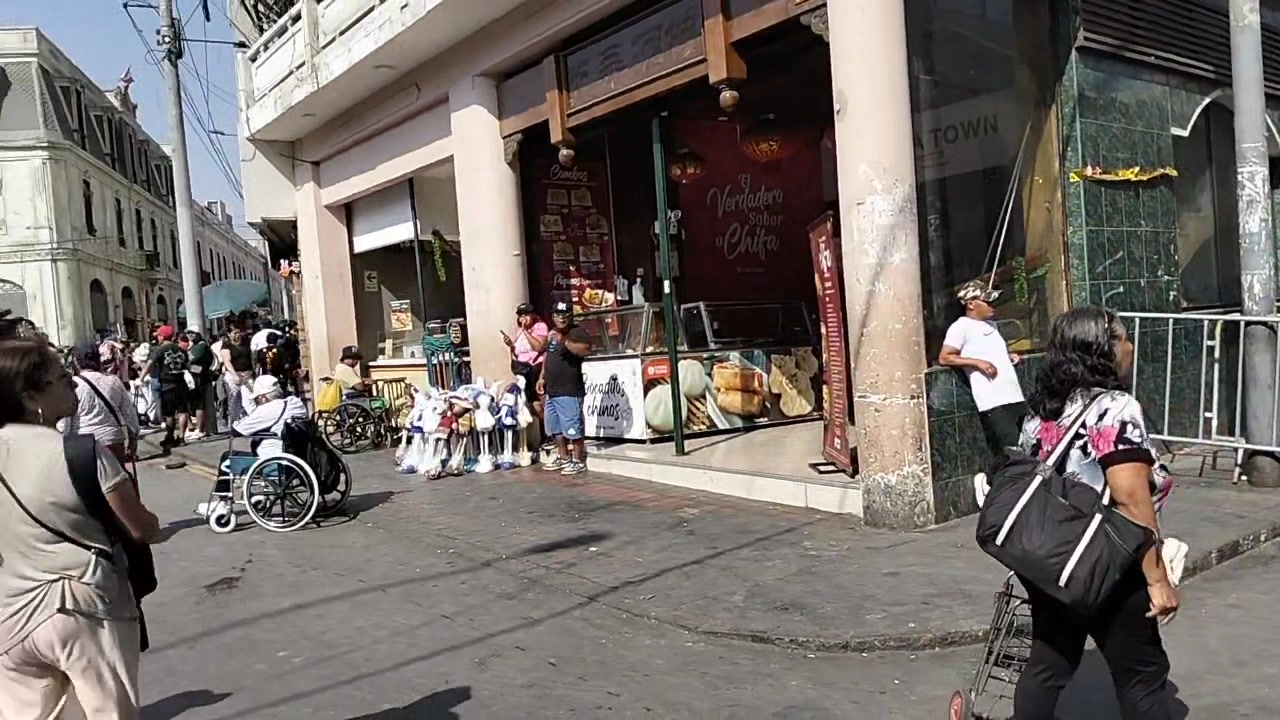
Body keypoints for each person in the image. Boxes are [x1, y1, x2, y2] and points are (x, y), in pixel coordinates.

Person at [1011, 306, 1177, 719]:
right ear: (1104, 348)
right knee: (1142, 675)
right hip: (1107, 560)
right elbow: (1130, 499)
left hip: (1052, 559)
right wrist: (1157, 579)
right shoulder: (1115, 408)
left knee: (1048, 664)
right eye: (1123, 337)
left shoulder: (1041, 411)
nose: (1130, 346)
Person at [0, 337, 160, 718]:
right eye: (61, 378)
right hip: (85, 609)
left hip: (10, 618)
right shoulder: (82, 454)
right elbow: (142, 529)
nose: (73, 382)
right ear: (30, 397)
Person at [938, 279, 1026, 457]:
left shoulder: (992, 326)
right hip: (994, 400)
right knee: (1011, 449)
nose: (992, 306)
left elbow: (989, 350)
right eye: (987, 302)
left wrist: (1008, 356)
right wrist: (977, 363)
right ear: (971, 304)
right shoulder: (960, 327)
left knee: (1024, 444)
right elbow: (945, 357)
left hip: (1013, 395)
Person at [65, 343, 140, 466]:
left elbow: (65, 420)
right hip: (112, 440)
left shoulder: (72, 385)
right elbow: (129, 414)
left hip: (83, 443)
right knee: (117, 476)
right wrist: (133, 440)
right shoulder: (113, 381)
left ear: (76, 362)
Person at [536, 317, 591, 476]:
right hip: (552, 390)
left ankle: (578, 460)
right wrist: (542, 377)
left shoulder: (576, 332)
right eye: (557, 315)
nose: (560, 318)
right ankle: (563, 456)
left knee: (573, 427)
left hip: (569, 390)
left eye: (564, 314)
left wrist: (565, 342)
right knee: (556, 427)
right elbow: (548, 356)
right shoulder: (552, 334)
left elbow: (585, 350)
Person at [140, 325, 190, 450]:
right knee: (183, 412)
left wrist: (140, 378)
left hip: (167, 385)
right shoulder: (181, 350)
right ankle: (181, 438)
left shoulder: (160, 350)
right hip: (181, 383)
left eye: (159, 336)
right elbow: (188, 366)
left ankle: (170, 437)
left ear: (162, 337)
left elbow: (149, 365)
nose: (158, 338)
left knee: (169, 414)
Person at [232, 375, 307, 458]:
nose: (257, 401)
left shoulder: (269, 408)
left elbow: (237, 431)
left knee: (227, 457)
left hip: (271, 455)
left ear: (263, 397)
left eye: (257, 398)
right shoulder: (295, 402)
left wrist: (238, 422)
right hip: (294, 454)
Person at [505, 303, 549, 420]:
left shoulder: (540, 327)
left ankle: (551, 426)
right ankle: (543, 426)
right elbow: (517, 352)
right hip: (524, 371)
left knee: (543, 400)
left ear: (532, 315)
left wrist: (526, 332)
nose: (523, 318)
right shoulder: (519, 331)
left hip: (536, 368)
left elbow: (539, 347)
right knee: (533, 404)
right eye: (521, 315)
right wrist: (511, 345)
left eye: (526, 315)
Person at [219, 328, 254, 425]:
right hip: (233, 375)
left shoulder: (245, 344)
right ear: (229, 334)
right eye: (234, 333)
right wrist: (235, 375)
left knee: (249, 398)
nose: (237, 335)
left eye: (238, 333)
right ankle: (235, 421)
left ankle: (252, 421)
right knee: (234, 399)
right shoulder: (226, 346)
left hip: (247, 374)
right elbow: (227, 362)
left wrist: (251, 372)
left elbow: (251, 359)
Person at [185, 332, 216, 440]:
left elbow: (191, 361)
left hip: (199, 378)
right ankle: (193, 428)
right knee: (189, 403)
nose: (190, 335)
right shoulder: (192, 346)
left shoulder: (201, 346)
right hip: (192, 378)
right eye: (188, 333)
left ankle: (200, 429)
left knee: (199, 404)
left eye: (192, 333)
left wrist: (186, 365)